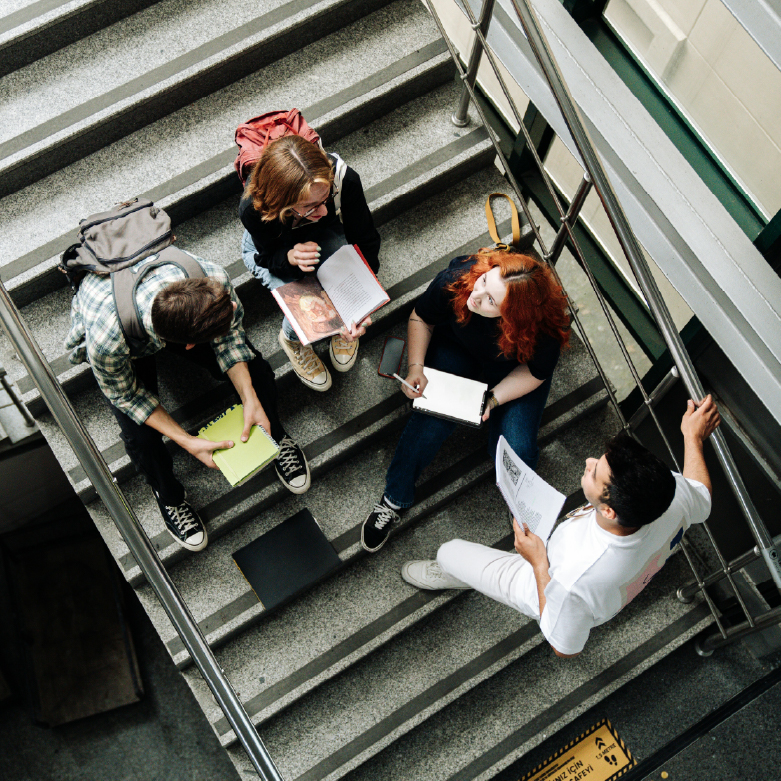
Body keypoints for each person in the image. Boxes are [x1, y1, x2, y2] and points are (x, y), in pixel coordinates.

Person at [401, 396, 721, 658]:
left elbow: (564, 647)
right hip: (589, 579)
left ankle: (455, 573)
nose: (588, 462)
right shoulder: (670, 494)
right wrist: (692, 438)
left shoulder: (575, 580)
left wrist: (539, 563)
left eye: (596, 473)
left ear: (609, 510)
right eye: (601, 459)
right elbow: (702, 497)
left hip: (543, 581)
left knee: (449, 551)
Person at [65, 252, 310, 552]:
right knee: (140, 438)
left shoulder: (213, 278)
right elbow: (126, 395)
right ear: (190, 346)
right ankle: (168, 496)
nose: (235, 307)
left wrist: (250, 399)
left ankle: (275, 437)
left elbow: (231, 336)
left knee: (257, 372)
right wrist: (186, 440)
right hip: (126, 329)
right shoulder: (107, 340)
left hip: (156, 307)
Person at [361, 247, 570, 552]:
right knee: (429, 423)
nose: (477, 294)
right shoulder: (460, 280)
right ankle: (394, 499)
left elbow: (535, 373)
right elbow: (421, 317)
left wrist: (494, 399)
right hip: (458, 348)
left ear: (514, 317)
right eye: (485, 281)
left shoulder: (543, 330)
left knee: (518, 449)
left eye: (490, 301)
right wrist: (416, 367)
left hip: (513, 369)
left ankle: (525, 523)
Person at [239, 135, 381, 391]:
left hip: (323, 235)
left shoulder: (344, 179)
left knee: (345, 287)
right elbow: (268, 257)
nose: (324, 211)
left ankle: (342, 327)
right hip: (273, 248)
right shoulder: (254, 207)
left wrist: (362, 303)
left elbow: (365, 239)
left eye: (326, 198)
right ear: (280, 201)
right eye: (310, 206)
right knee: (302, 301)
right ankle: (292, 340)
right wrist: (290, 258)